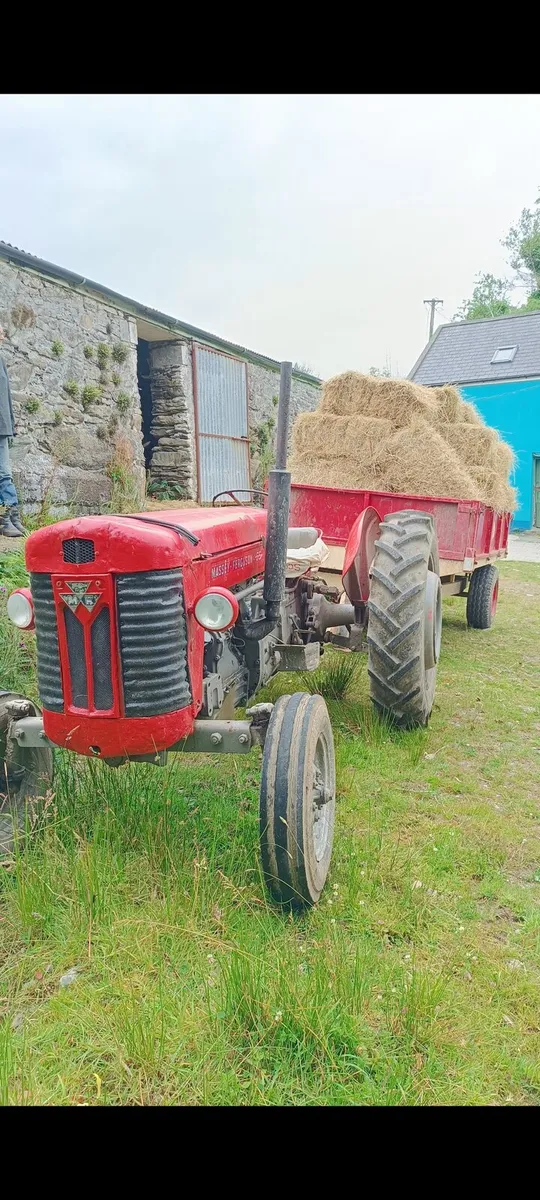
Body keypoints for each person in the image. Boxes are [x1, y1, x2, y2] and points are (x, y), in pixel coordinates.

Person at [0, 324, 25, 537]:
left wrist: (12, 423)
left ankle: (11, 517)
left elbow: (6, 396)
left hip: (2, 427)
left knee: (4, 474)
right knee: (3, 474)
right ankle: (7, 519)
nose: (3, 334)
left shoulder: (1, 361)